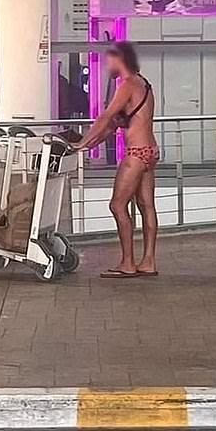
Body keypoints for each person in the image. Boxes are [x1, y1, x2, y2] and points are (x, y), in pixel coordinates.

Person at [75, 42, 159, 278]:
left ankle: (128, 263)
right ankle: (149, 261)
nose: (106, 66)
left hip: (136, 152)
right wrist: (90, 142)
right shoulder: (144, 83)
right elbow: (115, 124)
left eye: (108, 60)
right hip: (150, 151)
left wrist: (82, 142)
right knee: (147, 207)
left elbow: (106, 116)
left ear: (118, 59)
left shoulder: (128, 84)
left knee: (117, 205)